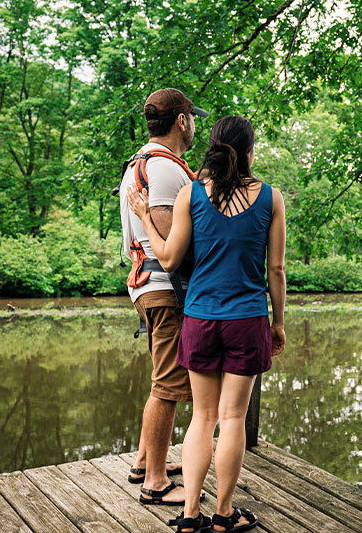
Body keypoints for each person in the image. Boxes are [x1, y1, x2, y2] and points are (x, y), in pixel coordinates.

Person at [126, 115, 286, 533]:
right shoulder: (271, 198)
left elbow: (169, 258)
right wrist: (279, 324)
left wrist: (144, 216)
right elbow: (277, 270)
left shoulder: (190, 194)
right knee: (232, 419)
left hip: (199, 320)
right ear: (250, 152)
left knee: (202, 417)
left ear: (213, 148)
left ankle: (191, 514)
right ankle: (223, 515)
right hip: (248, 319)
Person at [119, 88, 208, 506]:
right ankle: (155, 482)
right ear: (182, 121)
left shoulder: (137, 163)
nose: (195, 127)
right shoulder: (167, 169)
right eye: (194, 119)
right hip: (163, 288)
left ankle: (143, 460)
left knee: (162, 378)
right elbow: (173, 245)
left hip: (143, 284)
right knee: (169, 385)